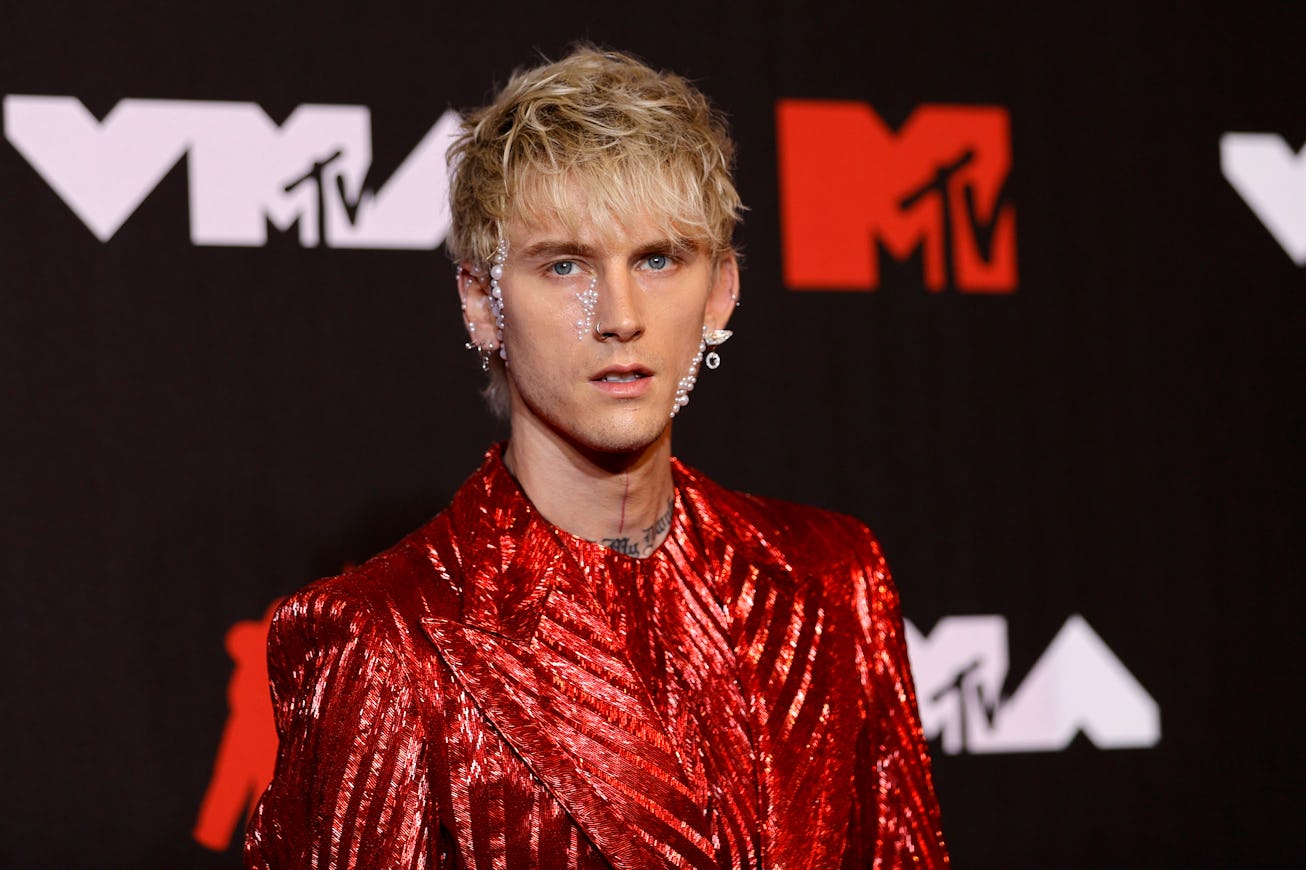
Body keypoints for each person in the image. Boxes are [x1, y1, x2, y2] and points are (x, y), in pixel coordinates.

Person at [245, 45, 948, 869]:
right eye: (566, 264)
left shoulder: (835, 581)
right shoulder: (385, 640)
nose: (618, 314)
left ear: (721, 291)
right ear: (481, 303)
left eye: (657, 259)